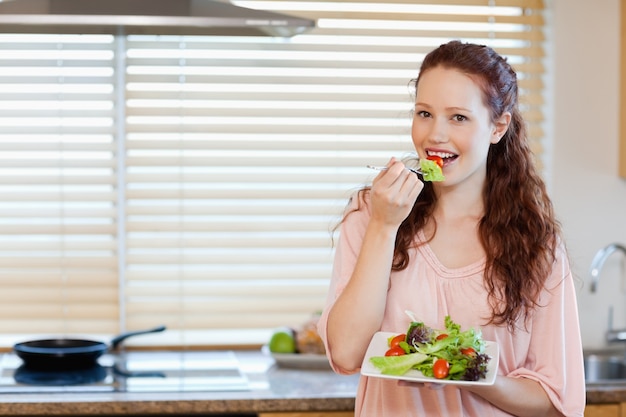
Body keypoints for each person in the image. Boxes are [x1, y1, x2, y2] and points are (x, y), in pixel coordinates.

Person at [317, 40, 585, 416]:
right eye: (424, 113)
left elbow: (558, 403)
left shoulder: (535, 242)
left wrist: (475, 373)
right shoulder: (370, 213)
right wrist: (384, 225)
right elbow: (346, 353)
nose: (434, 136)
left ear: (498, 126)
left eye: (458, 117)